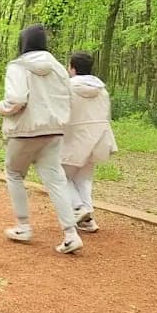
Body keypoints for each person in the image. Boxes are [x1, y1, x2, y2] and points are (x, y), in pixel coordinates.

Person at [0, 24, 83, 254]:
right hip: (53, 131)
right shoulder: (59, 69)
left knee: (14, 173)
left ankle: (23, 226)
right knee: (56, 180)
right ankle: (71, 233)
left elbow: (17, 99)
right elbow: (69, 96)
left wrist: (0, 108)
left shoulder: (18, 66)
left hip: (24, 131)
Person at [61, 52, 117, 233]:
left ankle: (79, 208)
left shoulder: (66, 88)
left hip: (74, 140)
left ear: (73, 68)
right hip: (98, 139)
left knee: (60, 176)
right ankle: (87, 219)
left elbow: (60, 114)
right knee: (83, 179)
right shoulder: (102, 91)